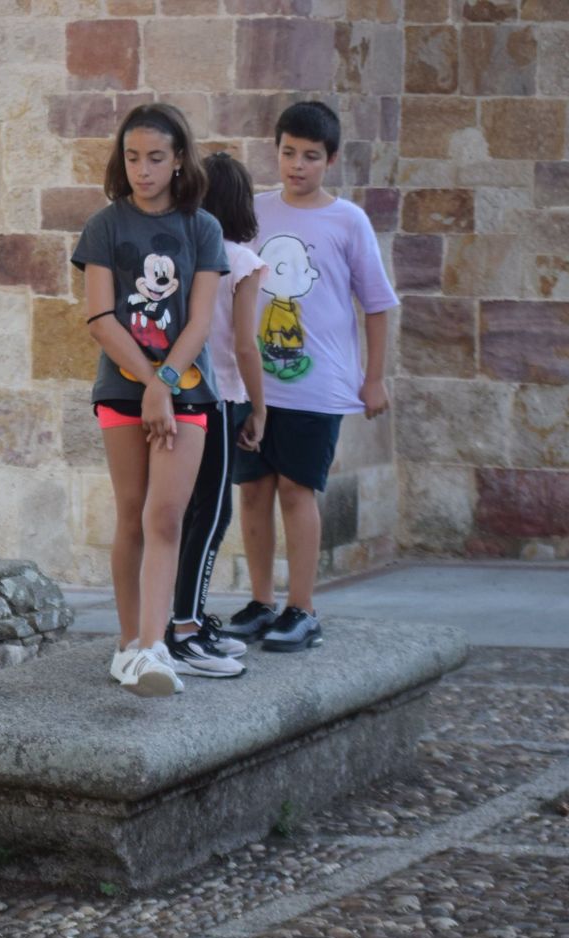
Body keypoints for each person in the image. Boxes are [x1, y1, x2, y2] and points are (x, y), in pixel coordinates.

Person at [220, 101, 398, 652]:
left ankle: (302, 608)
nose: (297, 165)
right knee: (254, 490)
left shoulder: (348, 221)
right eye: (289, 152)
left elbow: (376, 304)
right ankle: (260, 601)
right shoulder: (252, 213)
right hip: (251, 384)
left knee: (297, 490)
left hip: (317, 388)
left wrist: (374, 378)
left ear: (331, 159)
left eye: (311, 156)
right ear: (276, 151)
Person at [71, 103, 227, 697]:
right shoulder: (104, 226)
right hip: (122, 388)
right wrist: (148, 384)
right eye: (133, 157)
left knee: (166, 516)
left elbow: (201, 320)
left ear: (179, 159)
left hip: (187, 390)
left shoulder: (203, 229)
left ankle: (154, 647)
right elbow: (100, 318)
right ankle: (128, 644)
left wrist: (165, 385)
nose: (143, 169)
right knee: (132, 511)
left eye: (156, 158)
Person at [163, 152, 268, 678]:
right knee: (212, 512)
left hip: (180, 392)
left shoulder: (186, 252)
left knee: (187, 513)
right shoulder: (241, 260)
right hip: (220, 395)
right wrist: (259, 408)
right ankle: (184, 628)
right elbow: (246, 345)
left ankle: (188, 618)